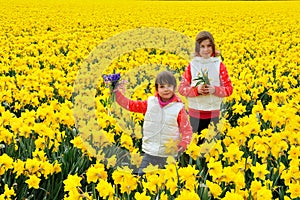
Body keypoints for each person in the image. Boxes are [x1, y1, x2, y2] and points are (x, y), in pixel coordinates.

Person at [114, 71, 193, 175]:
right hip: (150, 152)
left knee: (166, 184)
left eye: (169, 86)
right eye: (162, 86)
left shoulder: (178, 108)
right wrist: (116, 93)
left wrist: (184, 143)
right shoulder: (150, 103)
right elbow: (131, 105)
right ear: (157, 89)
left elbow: (186, 129)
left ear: (174, 88)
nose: (166, 89)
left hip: (168, 155)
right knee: (142, 178)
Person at [178, 31, 233, 140]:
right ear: (197, 49)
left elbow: (229, 89)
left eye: (209, 46)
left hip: (213, 114)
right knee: (195, 146)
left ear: (213, 47)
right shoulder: (192, 65)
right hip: (195, 113)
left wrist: (214, 90)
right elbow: (181, 89)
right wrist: (197, 90)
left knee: (212, 149)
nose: (206, 49)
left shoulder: (219, 65)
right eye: (202, 46)